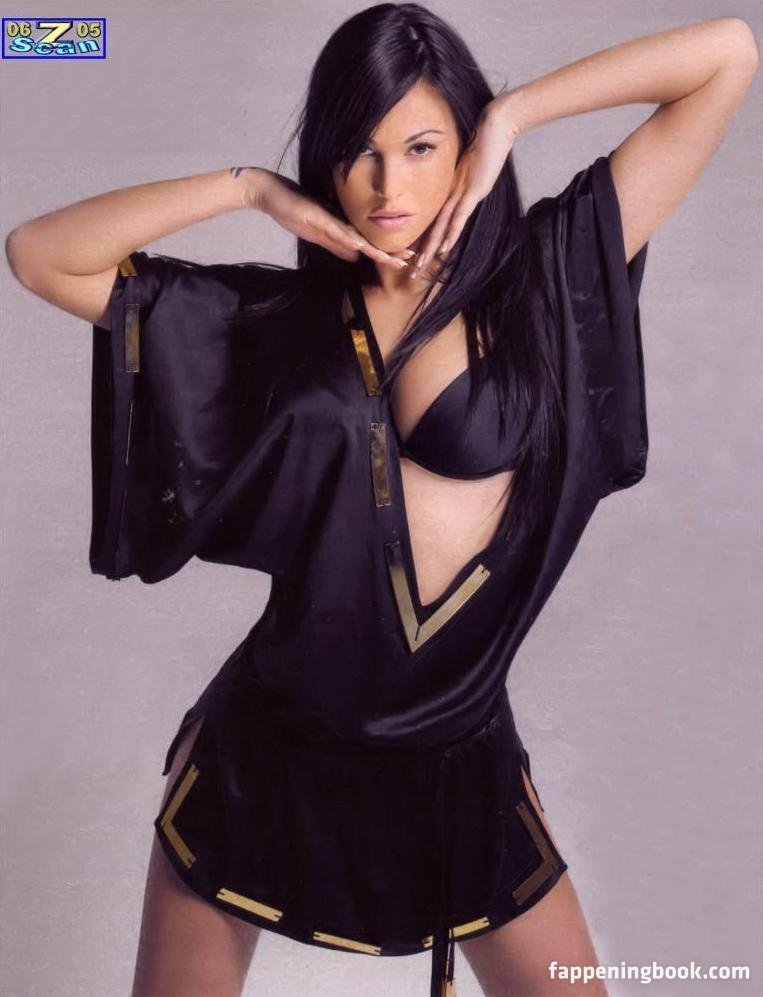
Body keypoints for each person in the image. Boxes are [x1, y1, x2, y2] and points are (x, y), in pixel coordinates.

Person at [5, 4, 757, 995]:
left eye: (420, 146)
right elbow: (39, 253)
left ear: (461, 147)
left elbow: (726, 55)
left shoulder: (550, 277)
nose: (387, 184)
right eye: (358, 150)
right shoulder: (275, 320)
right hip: (270, 749)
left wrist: (511, 115)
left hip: (454, 758)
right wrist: (248, 188)